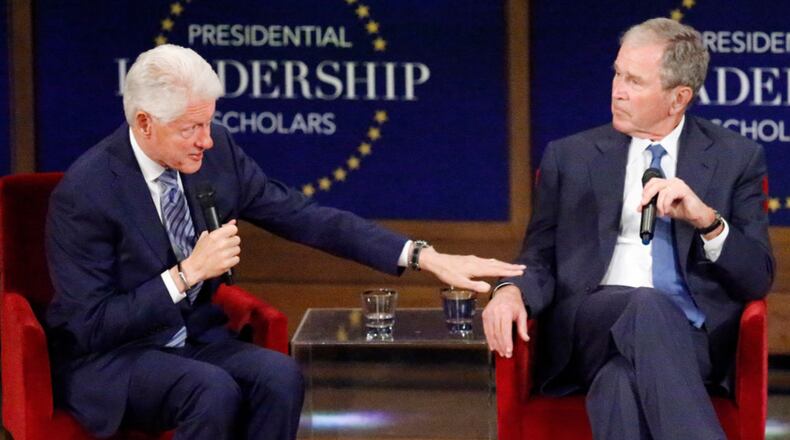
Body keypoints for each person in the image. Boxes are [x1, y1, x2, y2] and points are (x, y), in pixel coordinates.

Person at [45, 44, 525, 440]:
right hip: (114, 359)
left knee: (279, 376)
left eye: (209, 123)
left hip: (193, 341)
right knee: (210, 389)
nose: (206, 140)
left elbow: (305, 217)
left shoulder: (218, 153)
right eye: (190, 128)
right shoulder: (87, 192)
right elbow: (89, 326)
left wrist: (422, 255)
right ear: (144, 122)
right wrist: (185, 275)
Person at [482, 17, 774, 440]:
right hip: (590, 326)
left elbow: (757, 278)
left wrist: (707, 221)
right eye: (617, 73)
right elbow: (538, 256)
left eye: (634, 81)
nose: (617, 90)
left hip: (690, 340)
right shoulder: (572, 157)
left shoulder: (736, 158)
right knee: (647, 305)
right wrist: (509, 290)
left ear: (678, 98)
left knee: (619, 384)